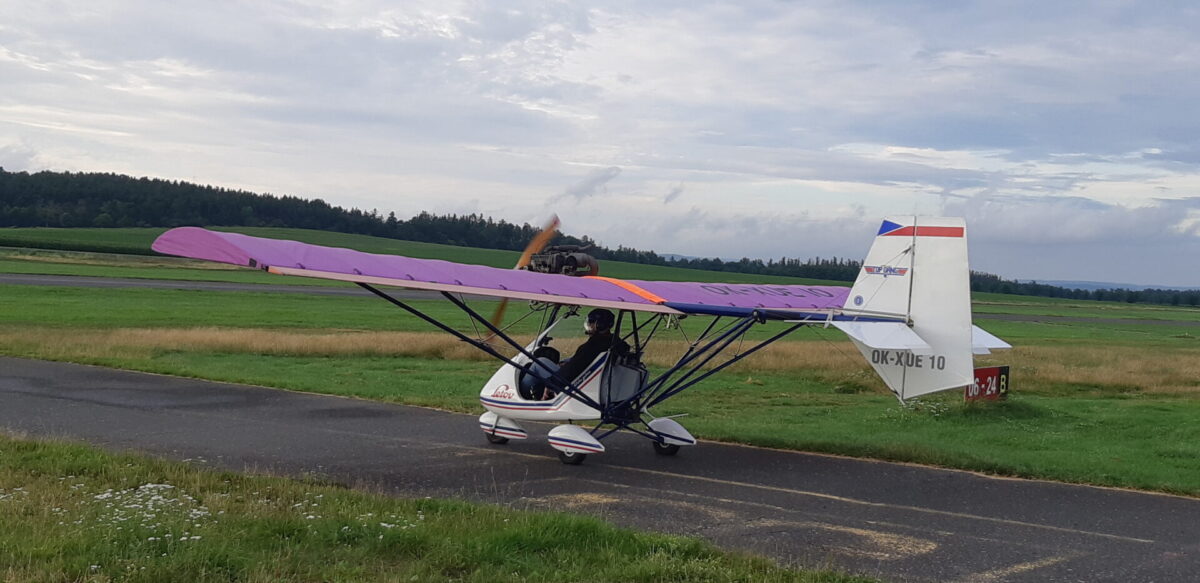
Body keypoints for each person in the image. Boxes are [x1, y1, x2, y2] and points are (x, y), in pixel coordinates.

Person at [541, 308, 628, 400]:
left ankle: (535, 400)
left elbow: (571, 370)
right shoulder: (617, 344)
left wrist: (550, 383)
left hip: (577, 385)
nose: (588, 324)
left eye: (590, 321)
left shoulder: (592, 346)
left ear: (598, 324)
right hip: (602, 385)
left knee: (538, 363)